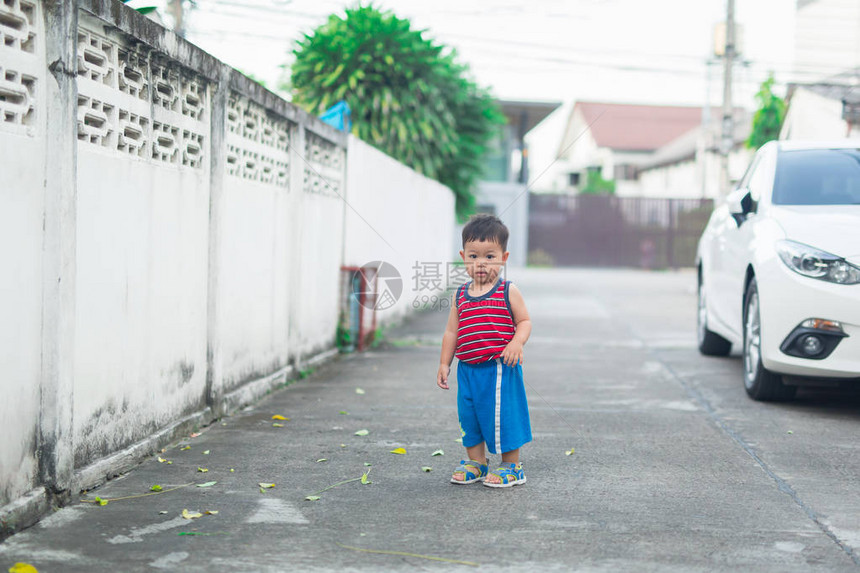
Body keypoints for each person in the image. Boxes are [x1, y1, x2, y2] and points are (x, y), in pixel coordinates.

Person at [436, 214, 532, 488]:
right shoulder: (460, 295)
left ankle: (512, 466)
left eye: (490, 256)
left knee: (502, 415)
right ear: (463, 257)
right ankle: (476, 462)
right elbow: (451, 332)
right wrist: (445, 363)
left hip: (498, 367)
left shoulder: (507, 291)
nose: (481, 263)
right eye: (473, 256)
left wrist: (516, 342)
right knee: (470, 415)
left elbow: (524, 321)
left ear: (504, 257)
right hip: (467, 369)